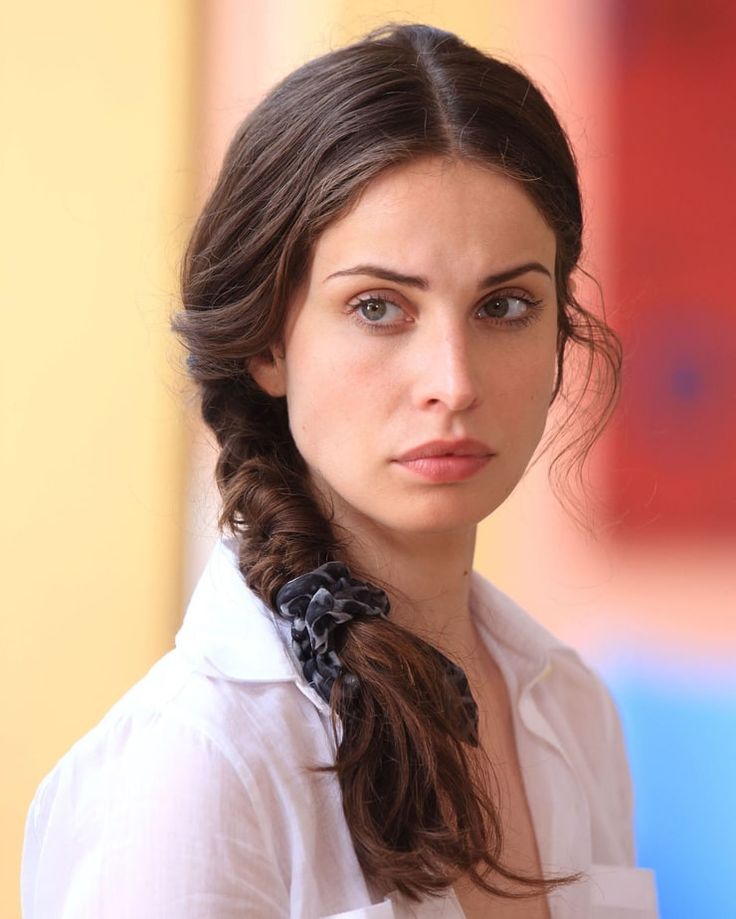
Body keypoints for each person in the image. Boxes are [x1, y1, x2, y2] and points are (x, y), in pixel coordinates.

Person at [21, 23, 660, 919]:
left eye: (506, 305)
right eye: (377, 307)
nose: (454, 381)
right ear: (269, 342)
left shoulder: (574, 711)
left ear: (560, 333)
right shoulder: (195, 766)